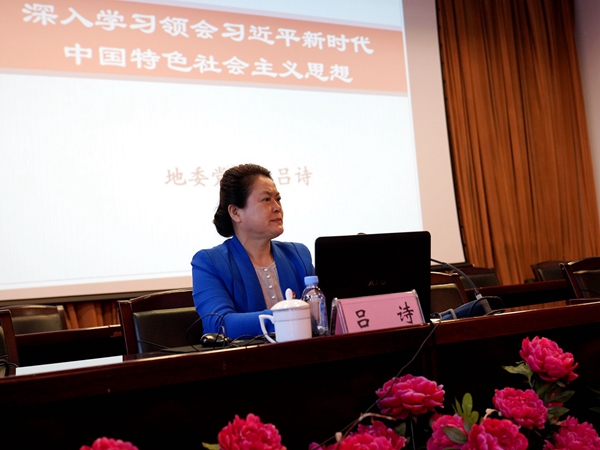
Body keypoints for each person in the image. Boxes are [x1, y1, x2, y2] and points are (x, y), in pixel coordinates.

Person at [191, 163, 314, 339]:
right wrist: (288, 317)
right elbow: (219, 324)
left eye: (278, 199)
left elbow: (322, 313)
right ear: (235, 212)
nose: (277, 207)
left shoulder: (298, 255)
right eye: (266, 199)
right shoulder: (209, 262)